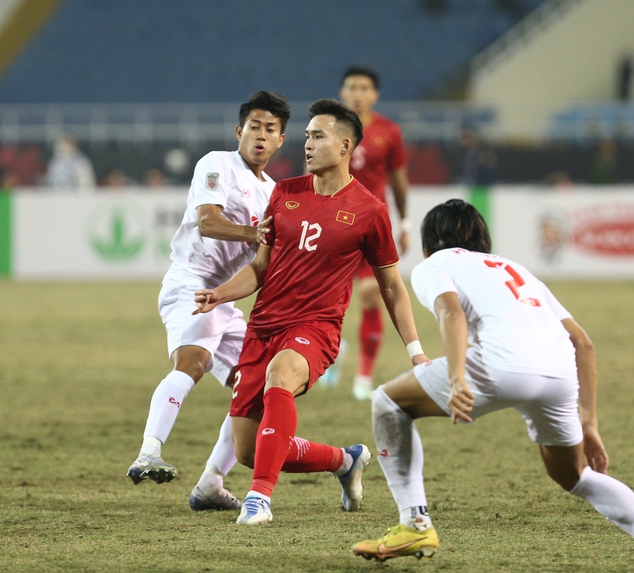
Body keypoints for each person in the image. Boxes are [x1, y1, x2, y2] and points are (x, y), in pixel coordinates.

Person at [351, 199, 634, 573]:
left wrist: (457, 379)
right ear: (483, 238)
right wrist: (589, 424)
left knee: (388, 402)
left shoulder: (435, 263)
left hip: (500, 364)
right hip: (559, 374)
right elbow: (582, 342)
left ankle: (415, 524)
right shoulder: (514, 268)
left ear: (428, 244)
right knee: (575, 477)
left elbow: (450, 312)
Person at [193, 99, 429, 525]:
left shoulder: (369, 210)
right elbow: (261, 268)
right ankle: (345, 460)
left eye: (317, 136)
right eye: (306, 136)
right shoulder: (284, 193)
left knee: (280, 375)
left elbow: (392, 285)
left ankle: (259, 500)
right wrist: (221, 294)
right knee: (249, 450)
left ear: (344, 146)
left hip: (314, 329)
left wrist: (415, 351)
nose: (307, 143)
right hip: (263, 327)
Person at [126, 91, 291, 512]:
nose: (260, 135)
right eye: (254, 126)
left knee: (252, 391)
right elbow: (208, 221)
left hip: (224, 298)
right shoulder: (216, 164)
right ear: (240, 131)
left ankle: (211, 484)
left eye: (269, 129)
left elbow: (264, 262)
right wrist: (253, 234)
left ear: (281, 141)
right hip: (190, 282)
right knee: (194, 362)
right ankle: (149, 451)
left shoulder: (275, 193)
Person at [321, 66, 411, 401]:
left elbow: (399, 180)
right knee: (328, 300)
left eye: (364, 88)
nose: (357, 93)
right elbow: (311, 171)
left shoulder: (389, 131)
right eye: (351, 87)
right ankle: (332, 352)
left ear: (375, 94)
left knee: (372, 294)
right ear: (342, 92)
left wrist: (405, 223)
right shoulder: (326, 128)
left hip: (373, 224)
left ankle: (364, 374)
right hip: (334, 225)